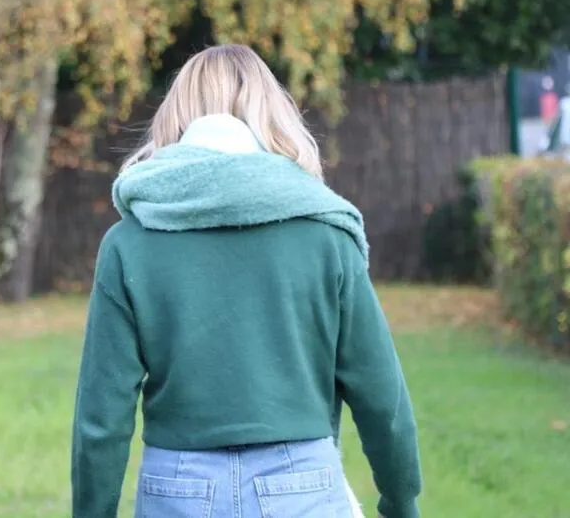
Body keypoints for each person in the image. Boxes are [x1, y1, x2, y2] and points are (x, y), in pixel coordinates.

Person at [71, 45, 421, 518]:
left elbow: (102, 416)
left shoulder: (129, 243)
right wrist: (401, 501)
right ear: (273, 115)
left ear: (177, 116)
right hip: (302, 483)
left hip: (177, 486)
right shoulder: (327, 235)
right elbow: (381, 393)